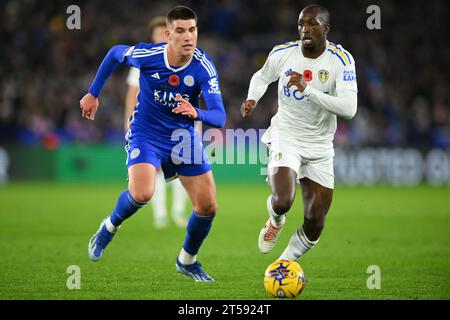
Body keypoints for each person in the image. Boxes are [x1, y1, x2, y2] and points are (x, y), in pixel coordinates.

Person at [80, 6, 226, 282]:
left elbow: (219, 116)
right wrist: (92, 94)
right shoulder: (149, 55)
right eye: (181, 31)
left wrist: (198, 113)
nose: (188, 37)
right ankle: (109, 226)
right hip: (146, 133)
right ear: (168, 34)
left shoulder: (203, 66)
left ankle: (187, 261)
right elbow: (114, 54)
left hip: (183, 139)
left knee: (208, 207)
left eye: (192, 30)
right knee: (143, 192)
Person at [241, 4, 357, 261]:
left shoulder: (341, 60)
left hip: (320, 144)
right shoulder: (283, 53)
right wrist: (252, 98)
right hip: (287, 135)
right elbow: (261, 77)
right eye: (302, 24)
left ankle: (283, 265)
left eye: (313, 24)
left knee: (316, 221)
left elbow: (349, 109)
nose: (305, 29)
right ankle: (275, 220)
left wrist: (309, 91)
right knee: (283, 200)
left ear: (326, 28)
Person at [124, 16, 188, 229]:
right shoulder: (143, 61)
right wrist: (128, 122)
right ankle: (160, 214)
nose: (161, 36)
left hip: (178, 124)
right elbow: (132, 94)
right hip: (151, 126)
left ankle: (178, 212)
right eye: (157, 33)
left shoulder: (185, 59)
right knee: (156, 171)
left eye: (165, 32)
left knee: (183, 170)